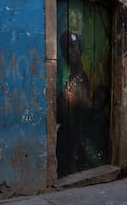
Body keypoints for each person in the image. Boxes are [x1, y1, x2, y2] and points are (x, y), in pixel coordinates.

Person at [56, 30, 91, 177]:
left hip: (79, 137)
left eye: (73, 46)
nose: (69, 52)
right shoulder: (68, 78)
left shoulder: (85, 77)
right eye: (65, 49)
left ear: (80, 47)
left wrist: (75, 101)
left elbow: (88, 109)